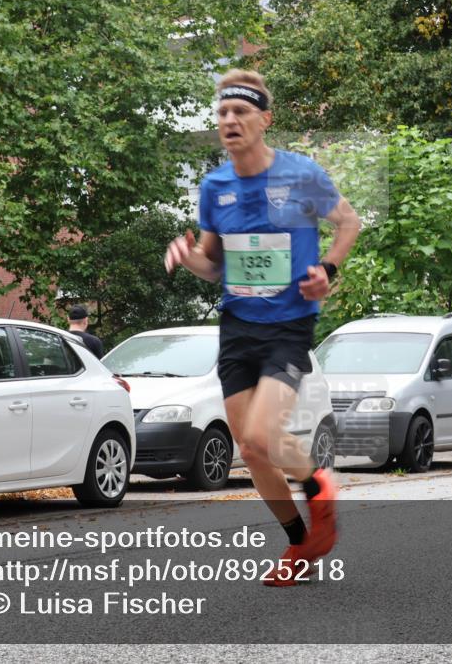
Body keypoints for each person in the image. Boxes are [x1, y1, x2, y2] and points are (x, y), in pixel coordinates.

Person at [165, 69, 361, 586]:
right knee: (249, 449)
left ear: (264, 120)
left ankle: (319, 485)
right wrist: (187, 258)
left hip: (289, 326)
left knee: (263, 435)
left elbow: (349, 222)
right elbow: (214, 265)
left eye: (241, 112)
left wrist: (329, 270)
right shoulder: (215, 186)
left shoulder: (301, 175)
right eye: (223, 113)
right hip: (237, 326)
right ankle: (300, 543)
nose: (229, 121)